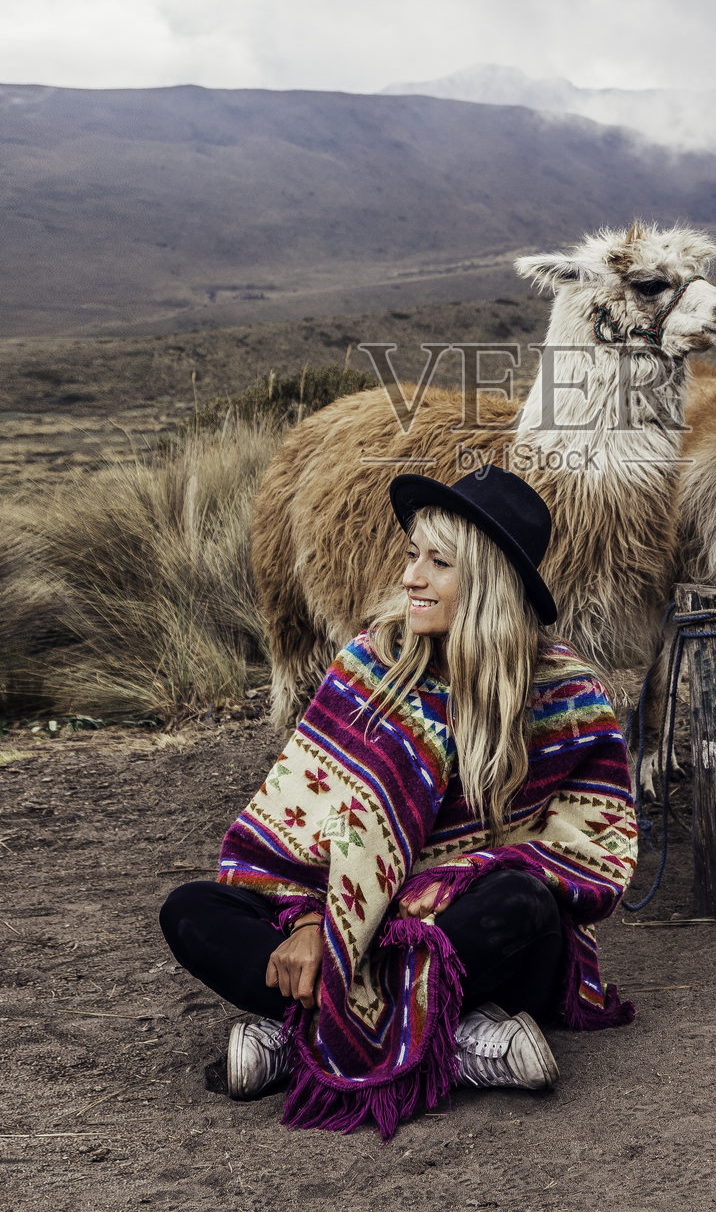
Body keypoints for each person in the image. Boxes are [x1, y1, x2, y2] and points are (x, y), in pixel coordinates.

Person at [160, 465, 638, 1138]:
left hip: (463, 933)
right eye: (413, 555)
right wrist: (309, 922)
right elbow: (298, 823)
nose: (411, 577)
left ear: (487, 583)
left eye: (438, 563)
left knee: (525, 904)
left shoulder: (566, 696)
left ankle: (302, 1038)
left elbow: (592, 848)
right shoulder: (370, 666)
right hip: (346, 925)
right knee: (190, 910)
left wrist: (449, 883)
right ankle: (455, 1041)